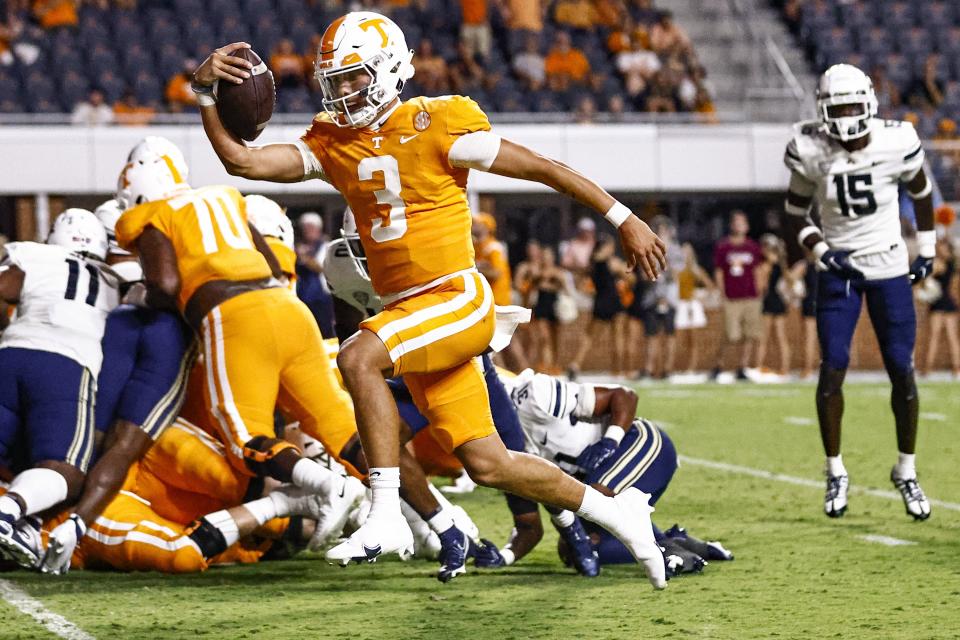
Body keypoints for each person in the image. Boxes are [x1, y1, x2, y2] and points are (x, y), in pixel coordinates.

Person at [191, 12, 668, 589]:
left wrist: (623, 218)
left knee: (357, 357)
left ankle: (387, 514)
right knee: (489, 463)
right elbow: (244, 161)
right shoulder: (334, 142)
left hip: (454, 297)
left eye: (352, 78)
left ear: (389, 69)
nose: (342, 92)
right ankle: (618, 511)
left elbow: (542, 168)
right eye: (334, 82)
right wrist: (205, 96)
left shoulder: (438, 121)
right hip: (408, 311)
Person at [112, 139, 360, 524]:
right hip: (290, 311)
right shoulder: (227, 200)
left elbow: (164, 285)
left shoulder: (156, 218)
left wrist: (143, 297)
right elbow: (272, 265)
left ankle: (329, 486)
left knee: (245, 439)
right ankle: (435, 520)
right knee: (340, 427)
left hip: (236, 319)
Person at [782, 63, 935, 520]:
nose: (846, 116)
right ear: (823, 109)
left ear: (868, 103)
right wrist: (822, 251)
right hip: (839, 270)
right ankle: (835, 470)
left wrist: (925, 249)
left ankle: (905, 469)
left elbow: (923, 193)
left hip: (889, 264)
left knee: (901, 368)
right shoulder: (809, 149)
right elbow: (794, 214)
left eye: (852, 105)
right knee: (833, 367)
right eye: (838, 107)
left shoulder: (897, 141)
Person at [38, 190, 197, 575]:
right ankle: (78, 521)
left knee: (88, 436)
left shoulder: (68, 261)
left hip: (115, 325)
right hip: (167, 327)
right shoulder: (178, 222)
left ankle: (43, 514)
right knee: (126, 445)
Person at [501, 369, 734, 576]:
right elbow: (528, 527)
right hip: (596, 480)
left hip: (637, 444)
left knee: (598, 498)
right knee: (572, 551)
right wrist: (502, 558)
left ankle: (666, 552)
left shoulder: (533, 395)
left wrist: (609, 442)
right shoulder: (497, 449)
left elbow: (624, 396)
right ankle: (673, 542)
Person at [0, 209, 121, 568]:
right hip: (66, 364)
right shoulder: (116, 279)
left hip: (11, 354)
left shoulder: (36, 254)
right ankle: (9, 512)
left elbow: (6, 287)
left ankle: (19, 519)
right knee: (64, 469)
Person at [712, 211, 763, 381]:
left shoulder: (752, 247)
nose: (739, 226)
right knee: (730, 334)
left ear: (747, 226)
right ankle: (719, 365)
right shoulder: (724, 247)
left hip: (750, 296)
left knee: (749, 334)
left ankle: (742, 366)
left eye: (742, 222)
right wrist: (722, 292)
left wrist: (760, 289)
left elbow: (757, 270)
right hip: (731, 296)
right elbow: (719, 271)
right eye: (736, 222)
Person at [569, 234, 627, 377]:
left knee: (589, 337)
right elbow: (628, 275)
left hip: (600, 300)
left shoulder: (592, 263)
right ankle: (618, 370)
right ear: (606, 247)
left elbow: (580, 281)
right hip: (613, 300)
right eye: (611, 246)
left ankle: (576, 364)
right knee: (617, 337)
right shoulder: (610, 262)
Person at [756, 234, 795, 376]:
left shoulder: (769, 264)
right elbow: (790, 281)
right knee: (777, 336)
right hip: (776, 299)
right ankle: (782, 368)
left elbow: (762, 286)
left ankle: (762, 367)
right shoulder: (779, 263)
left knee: (767, 337)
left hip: (770, 300)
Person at [921, 238, 959, 377]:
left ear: (947, 249)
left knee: (938, 338)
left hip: (939, 303)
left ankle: (927, 370)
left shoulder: (940, 263)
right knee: (947, 338)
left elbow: (925, 276)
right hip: (945, 303)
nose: (938, 248)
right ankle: (954, 370)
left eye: (941, 247)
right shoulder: (952, 263)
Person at [674, 242, 714, 374]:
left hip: (693, 305)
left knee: (694, 339)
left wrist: (700, 297)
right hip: (681, 305)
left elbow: (710, 286)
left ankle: (692, 368)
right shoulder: (676, 269)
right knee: (681, 338)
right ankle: (681, 367)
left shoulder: (697, 270)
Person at [528, 246, 569, 374]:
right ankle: (545, 364)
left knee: (556, 337)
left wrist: (550, 284)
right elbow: (530, 287)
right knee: (544, 337)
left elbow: (565, 288)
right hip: (541, 305)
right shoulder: (537, 272)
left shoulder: (557, 272)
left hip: (554, 305)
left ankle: (556, 364)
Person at [293, 212, 334, 337]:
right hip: (301, 296)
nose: (307, 231)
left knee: (324, 331)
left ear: (318, 228)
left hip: (321, 298)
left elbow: (321, 268)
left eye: (311, 227)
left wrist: (304, 258)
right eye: (305, 227)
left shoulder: (326, 246)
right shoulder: (298, 247)